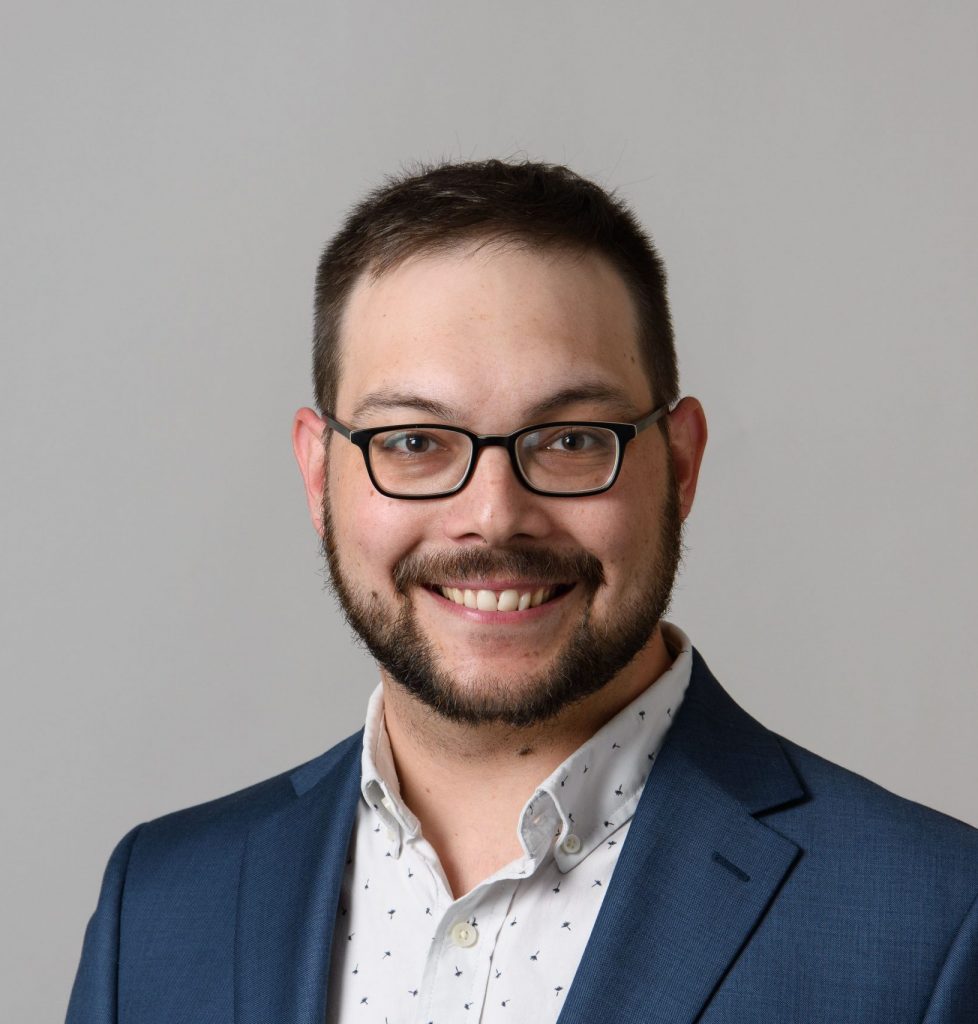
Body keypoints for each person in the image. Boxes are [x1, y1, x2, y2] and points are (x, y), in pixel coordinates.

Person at [67, 160, 978, 1023]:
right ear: (318, 475)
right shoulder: (157, 908)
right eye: (414, 443)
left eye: (573, 439)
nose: (494, 517)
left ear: (682, 464)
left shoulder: (933, 924)